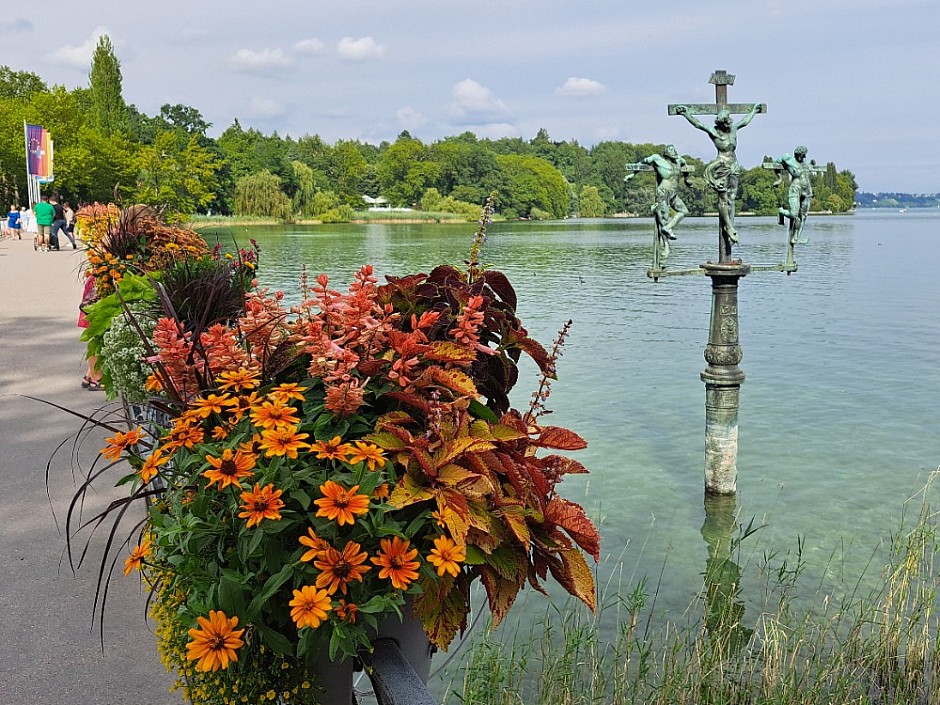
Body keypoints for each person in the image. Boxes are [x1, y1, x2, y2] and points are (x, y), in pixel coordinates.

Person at [674, 103, 761, 252]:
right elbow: (698, 124)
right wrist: (685, 113)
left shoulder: (733, 130)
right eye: (727, 123)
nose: (729, 125)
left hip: (734, 165)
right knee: (723, 198)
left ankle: (730, 225)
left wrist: (753, 110)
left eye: (730, 122)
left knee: (732, 198)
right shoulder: (714, 132)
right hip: (721, 167)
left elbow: (744, 122)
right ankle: (728, 225)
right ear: (722, 124)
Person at [629, 145, 692, 259]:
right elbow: (641, 163)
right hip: (663, 192)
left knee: (684, 211)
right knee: (663, 219)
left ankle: (669, 227)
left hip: (673, 193)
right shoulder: (657, 159)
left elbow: (685, 165)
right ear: (666, 154)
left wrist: (687, 180)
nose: (674, 155)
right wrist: (632, 174)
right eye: (671, 153)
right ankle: (666, 246)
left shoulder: (678, 160)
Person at [774, 146, 813, 245]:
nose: (802, 157)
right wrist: (779, 178)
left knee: (804, 216)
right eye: (800, 155)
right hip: (795, 189)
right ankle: (781, 211)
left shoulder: (805, 165)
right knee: (794, 214)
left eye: (803, 155)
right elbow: (776, 163)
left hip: (807, 191)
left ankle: (795, 237)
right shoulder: (788, 159)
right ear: (796, 154)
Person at [78, 275, 103, 390]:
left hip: (100, 280)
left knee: (97, 332)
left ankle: (91, 374)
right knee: (98, 332)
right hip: (102, 282)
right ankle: (96, 377)